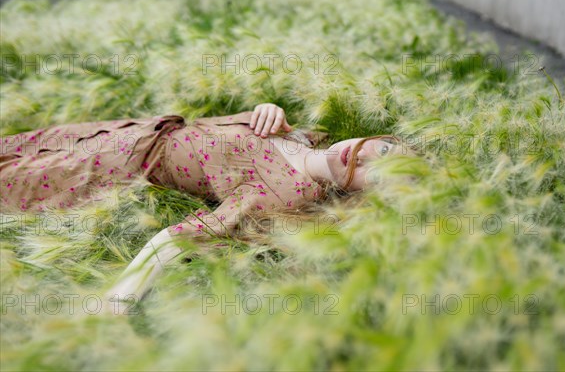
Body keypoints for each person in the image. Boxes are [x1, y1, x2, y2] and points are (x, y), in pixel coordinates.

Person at [0, 103, 413, 314]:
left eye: (375, 176)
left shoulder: (289, 192)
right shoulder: (301, 135)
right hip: (142, 128)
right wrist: (266, 110)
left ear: (361, 194)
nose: (362, 158)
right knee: (32, 144)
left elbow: (183, 235)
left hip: (120, 162)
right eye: (384, 149)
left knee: (23, 177)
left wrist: (123, 293)